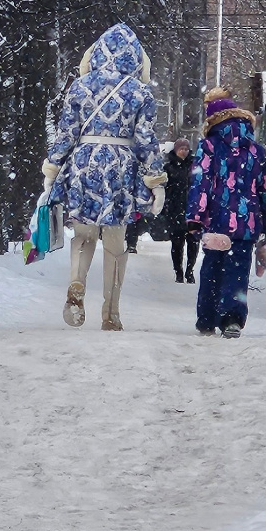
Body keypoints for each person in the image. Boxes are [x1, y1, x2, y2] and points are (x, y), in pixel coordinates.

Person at [42, 23, 167, 331]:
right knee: (115, 242)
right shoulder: (140, 93)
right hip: (121, 168)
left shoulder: (80, 87)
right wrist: (155, 180)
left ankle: (76, 281)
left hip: (84, 163)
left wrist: (53, 168)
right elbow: (146, 138)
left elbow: (65, 133)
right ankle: (111, 313)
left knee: (83, 236)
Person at [186, 87, 266, 339]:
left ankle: (206, 318)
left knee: (212, 268)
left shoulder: (208, 146)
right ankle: (231, 319)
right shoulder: (256, 151)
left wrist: (195, 218)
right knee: (237, 270)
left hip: (216, 221)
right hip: (246, 222)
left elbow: (200, 184)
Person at [162, 138, 198, 284]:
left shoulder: (195, 166)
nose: (183, 151)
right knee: (177, 244)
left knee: (193, 242)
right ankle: (178, 271)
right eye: (180, 148)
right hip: (174, 209)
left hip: (192, 209)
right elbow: (164, 187)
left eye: (186, 148)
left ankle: (190, 270)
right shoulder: (169, 167)